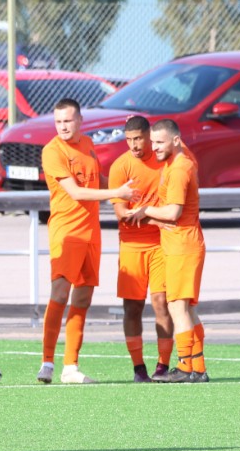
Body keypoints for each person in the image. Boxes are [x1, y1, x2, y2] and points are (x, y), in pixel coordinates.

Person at [37, 98, 139, 384]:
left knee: (83, 297)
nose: (63, 126)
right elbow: (77, 193)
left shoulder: (89, 144)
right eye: (58, 122)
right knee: (59, 293)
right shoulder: (52, 151)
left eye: (68, 121)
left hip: (91, 233)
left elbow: (97, 180)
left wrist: (124, 186)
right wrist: (117, 192)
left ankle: (70, 367)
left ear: (80, 120)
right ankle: (47, 361)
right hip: (66, 232)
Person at [125, 119, 208, 383]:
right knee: (186, 308)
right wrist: (148, 217)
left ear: (175, 141)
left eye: (159, 142)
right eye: (153, 142)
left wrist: (146, 210)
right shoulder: (175, 164)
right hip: (180, 244)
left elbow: (173, 212)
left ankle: (186, 368)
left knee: (177, 307)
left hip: (183, 246)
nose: (155, 147)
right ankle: (198, 368)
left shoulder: (180, 168)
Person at [108, 116, 175, 382]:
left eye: (138, 138)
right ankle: (138, 369)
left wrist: (148, 215)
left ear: (149, 136)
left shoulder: (164, 161)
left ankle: (163, 367)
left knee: (162, 303)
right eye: (129, 140)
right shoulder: (120, 167)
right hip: (132, 246)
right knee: (132, 307)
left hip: (161, 243)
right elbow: (122, 213)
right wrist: (153, 215)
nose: (134, 145)